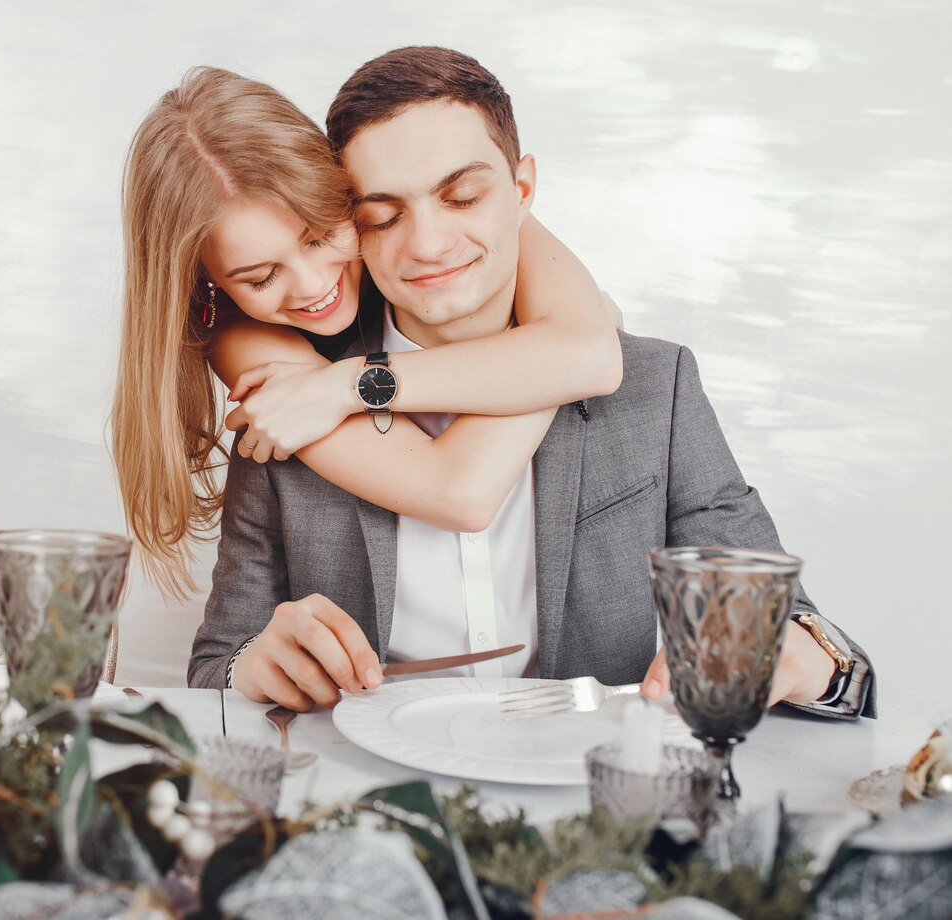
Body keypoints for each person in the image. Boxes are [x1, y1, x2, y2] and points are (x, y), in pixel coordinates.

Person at [189, 47, 876, 721]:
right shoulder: (287, 407)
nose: (428, 244)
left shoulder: (655, 391)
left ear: (522, 191)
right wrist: (253, 664)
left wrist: (799, 658)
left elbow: (823, 655)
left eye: (462, 196)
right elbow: (217, 664)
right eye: (384, 216)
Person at [111, 66, 622, 602]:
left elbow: (586, 351)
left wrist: (346, 385)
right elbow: (461, 492)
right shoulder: (247, 343)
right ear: (206, 283)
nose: (314, 287)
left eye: (321, 234)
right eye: (261, 277)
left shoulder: (436, 228)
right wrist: (558, 341)